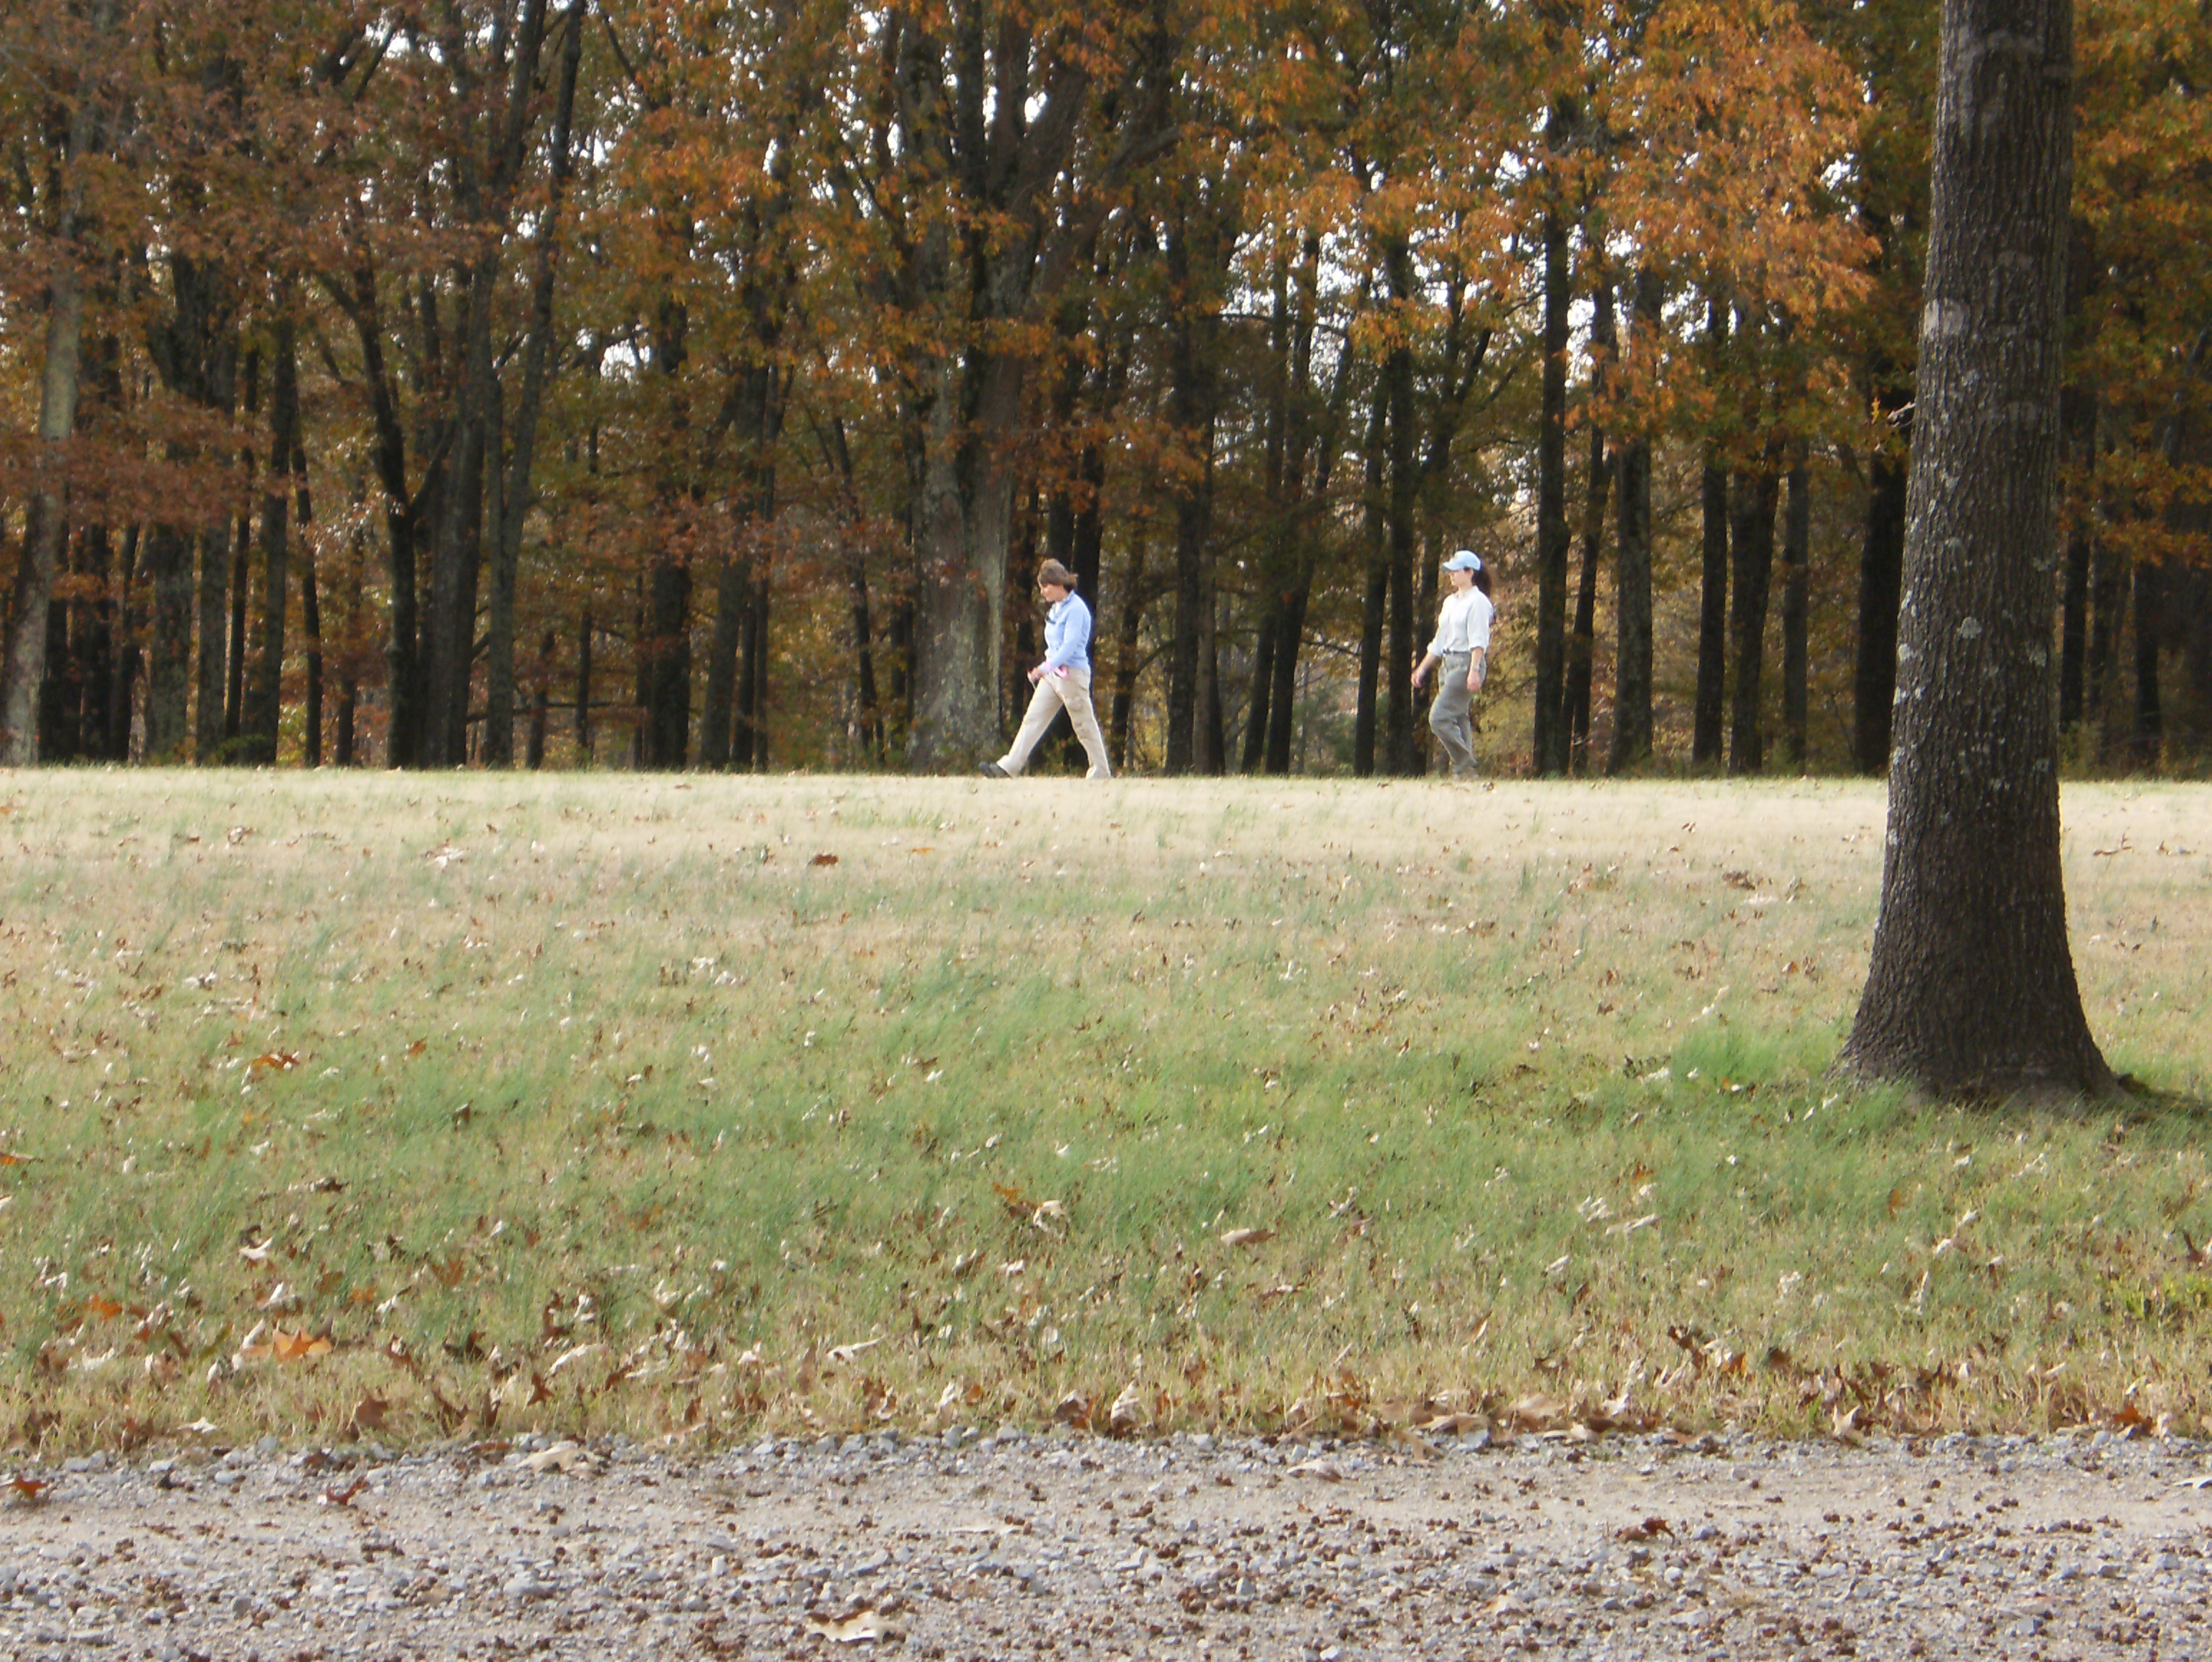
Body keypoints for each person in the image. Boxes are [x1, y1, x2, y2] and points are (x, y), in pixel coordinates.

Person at [979, 559, 1114, 779]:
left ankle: (1101, 772)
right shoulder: (1056, 609)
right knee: (1033, 719)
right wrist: (1046, 669)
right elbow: (1054, 646)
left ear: (1058, 583)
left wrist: (1044, 668)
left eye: (1045, 587)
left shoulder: (1076, 609)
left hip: (1072, 676)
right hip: (1053, 676)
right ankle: (1009, 767)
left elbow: (1069, 647)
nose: (1042, 592)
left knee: (1084, 725)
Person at [1410, 549, 1494, 779]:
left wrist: (1474, 670)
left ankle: (1465, 762)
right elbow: (1440, 640)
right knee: (1459, 717)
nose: (1451, 575)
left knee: (1438, 718)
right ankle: (1465, 774)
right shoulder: (1450, 602)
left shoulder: (1478, 602)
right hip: (1448, 663)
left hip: (1467, 662)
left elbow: (1478, 640)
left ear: (1470, 572)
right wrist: (1422, 668)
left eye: (1455, 571)